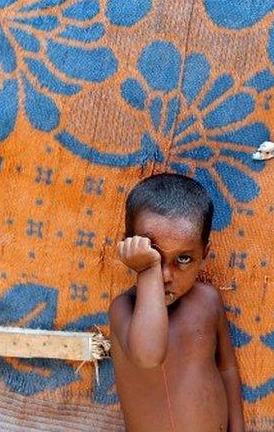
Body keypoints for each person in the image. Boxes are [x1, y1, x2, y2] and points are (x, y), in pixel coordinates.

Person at [109, 173, 244, 431]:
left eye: (183, 259)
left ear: (204, 254)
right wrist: (147, 269)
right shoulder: (123, 309)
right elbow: (149, 355)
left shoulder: (208, 301)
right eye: (154, 257)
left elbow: (226, 369)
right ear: (130, 249)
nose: (166, 275)